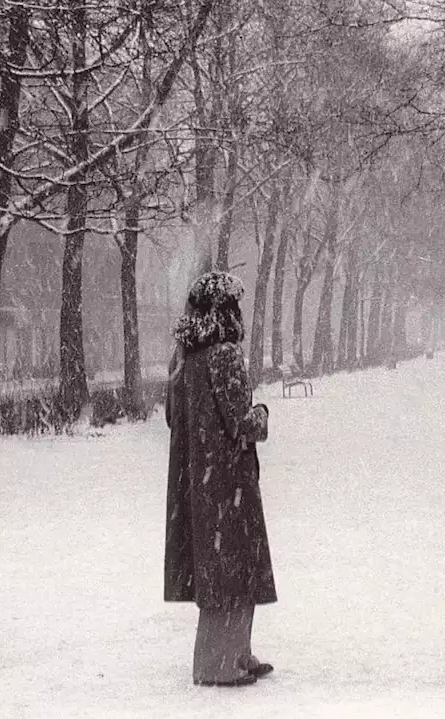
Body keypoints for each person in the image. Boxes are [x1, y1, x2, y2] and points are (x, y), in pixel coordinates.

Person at [165, 270, 276, 687]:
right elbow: (242, 423)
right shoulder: (225, 355)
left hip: (196, 480)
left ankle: (235, 655)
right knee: (235, 567)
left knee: (215, 571)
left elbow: (172, 417)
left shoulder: (182, 358)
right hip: (228, 479)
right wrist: (262, 414)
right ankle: (223, 664)